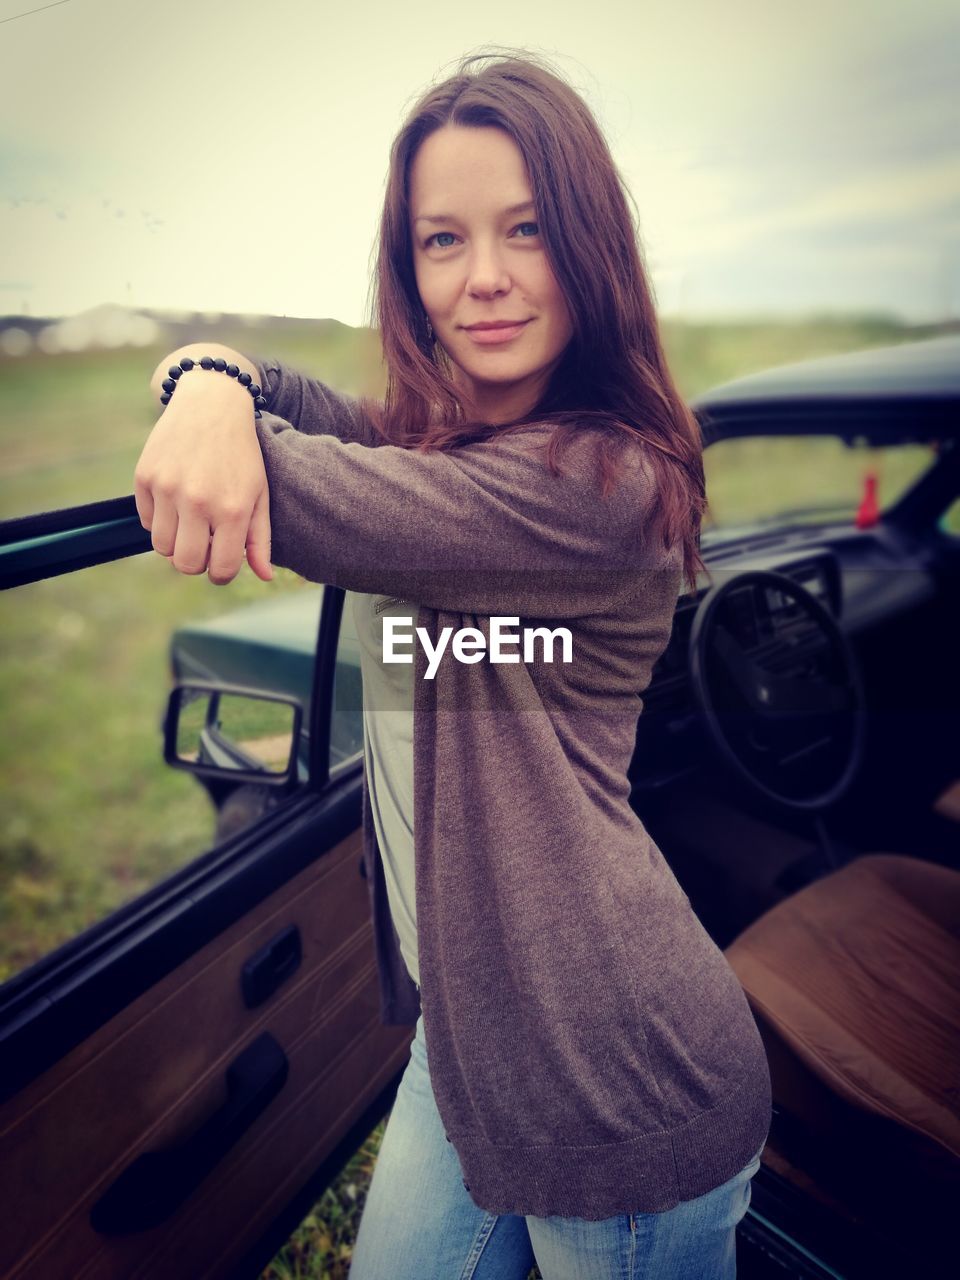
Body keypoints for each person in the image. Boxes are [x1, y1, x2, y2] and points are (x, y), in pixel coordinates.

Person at [136, 51, 771, 1280]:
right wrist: (209, 371)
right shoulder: (448, 448)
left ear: (589, 247)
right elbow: (305, 408)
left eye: (527, 229)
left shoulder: (598, 485)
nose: (482, 277)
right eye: (441, 241)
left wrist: (220, 403)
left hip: (621, 1086)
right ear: (409, 268)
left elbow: (297, 478)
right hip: (467, 1037)